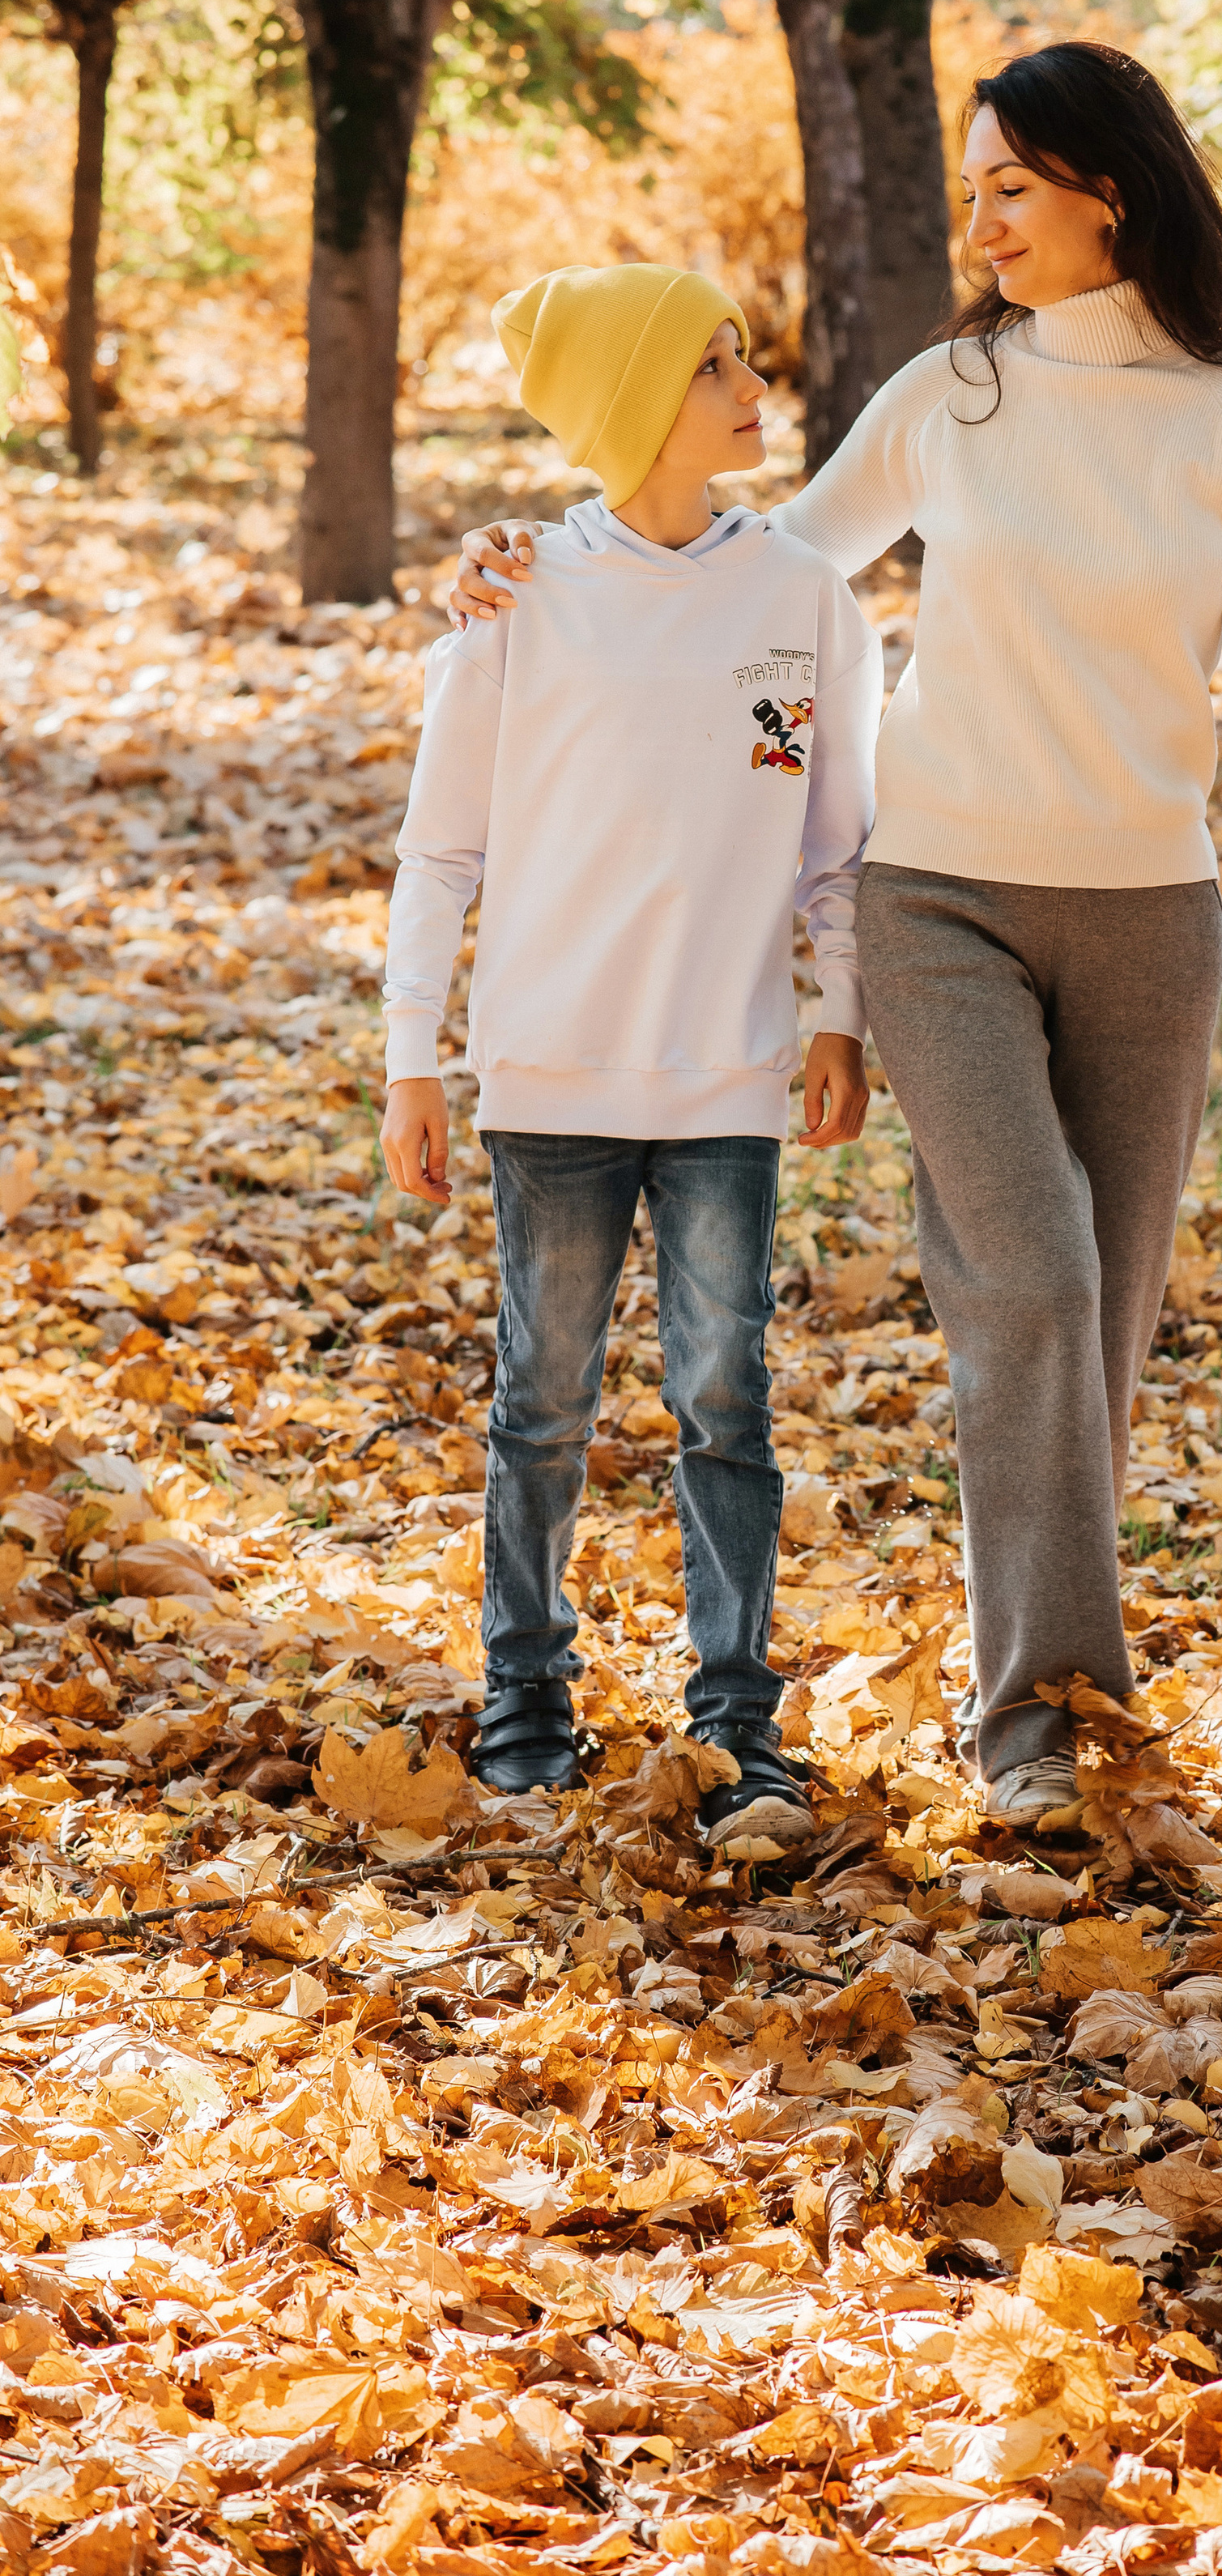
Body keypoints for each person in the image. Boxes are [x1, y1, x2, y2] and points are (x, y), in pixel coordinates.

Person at [448, 43, 1222, 1835]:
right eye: (971, 192)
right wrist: (541, 563)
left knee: (1101, 1328)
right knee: (1035, 1279)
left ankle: (1041, 1679)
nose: (982, 224)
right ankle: (1040, 1726)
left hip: (1152, 912)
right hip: (938, 899)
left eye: (1011, 187)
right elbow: (762, 565)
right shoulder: (953, 393)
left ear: (1108, 189)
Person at [382, 262, 879, 1845]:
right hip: (552, 1074)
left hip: (729, 1073)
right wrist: (411, 1057)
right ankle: (526, 1694)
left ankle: (735, 1716)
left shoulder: (796, 598)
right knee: (541, 1399)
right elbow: (440, 854)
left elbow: (829, 837)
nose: (754, 385)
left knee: (727, 1398)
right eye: (716, 364)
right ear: (636, 399)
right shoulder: (519, 598)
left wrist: (841, 1007)